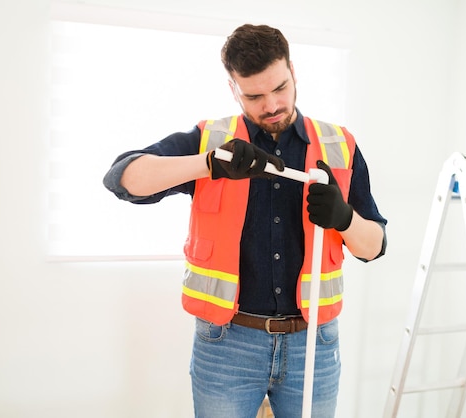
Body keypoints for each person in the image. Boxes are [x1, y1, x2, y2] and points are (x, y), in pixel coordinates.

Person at [103, 23, 387, 418]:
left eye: (281, 88)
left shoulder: (339, 145)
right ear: (233, 88)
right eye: (254, 95)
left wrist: (344, 218)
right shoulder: (211, 139)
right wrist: (208, 165)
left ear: (293, 72)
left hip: (313, 346)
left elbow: (374, 247)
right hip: (227, 345)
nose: (271, 104)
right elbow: (122, 178)